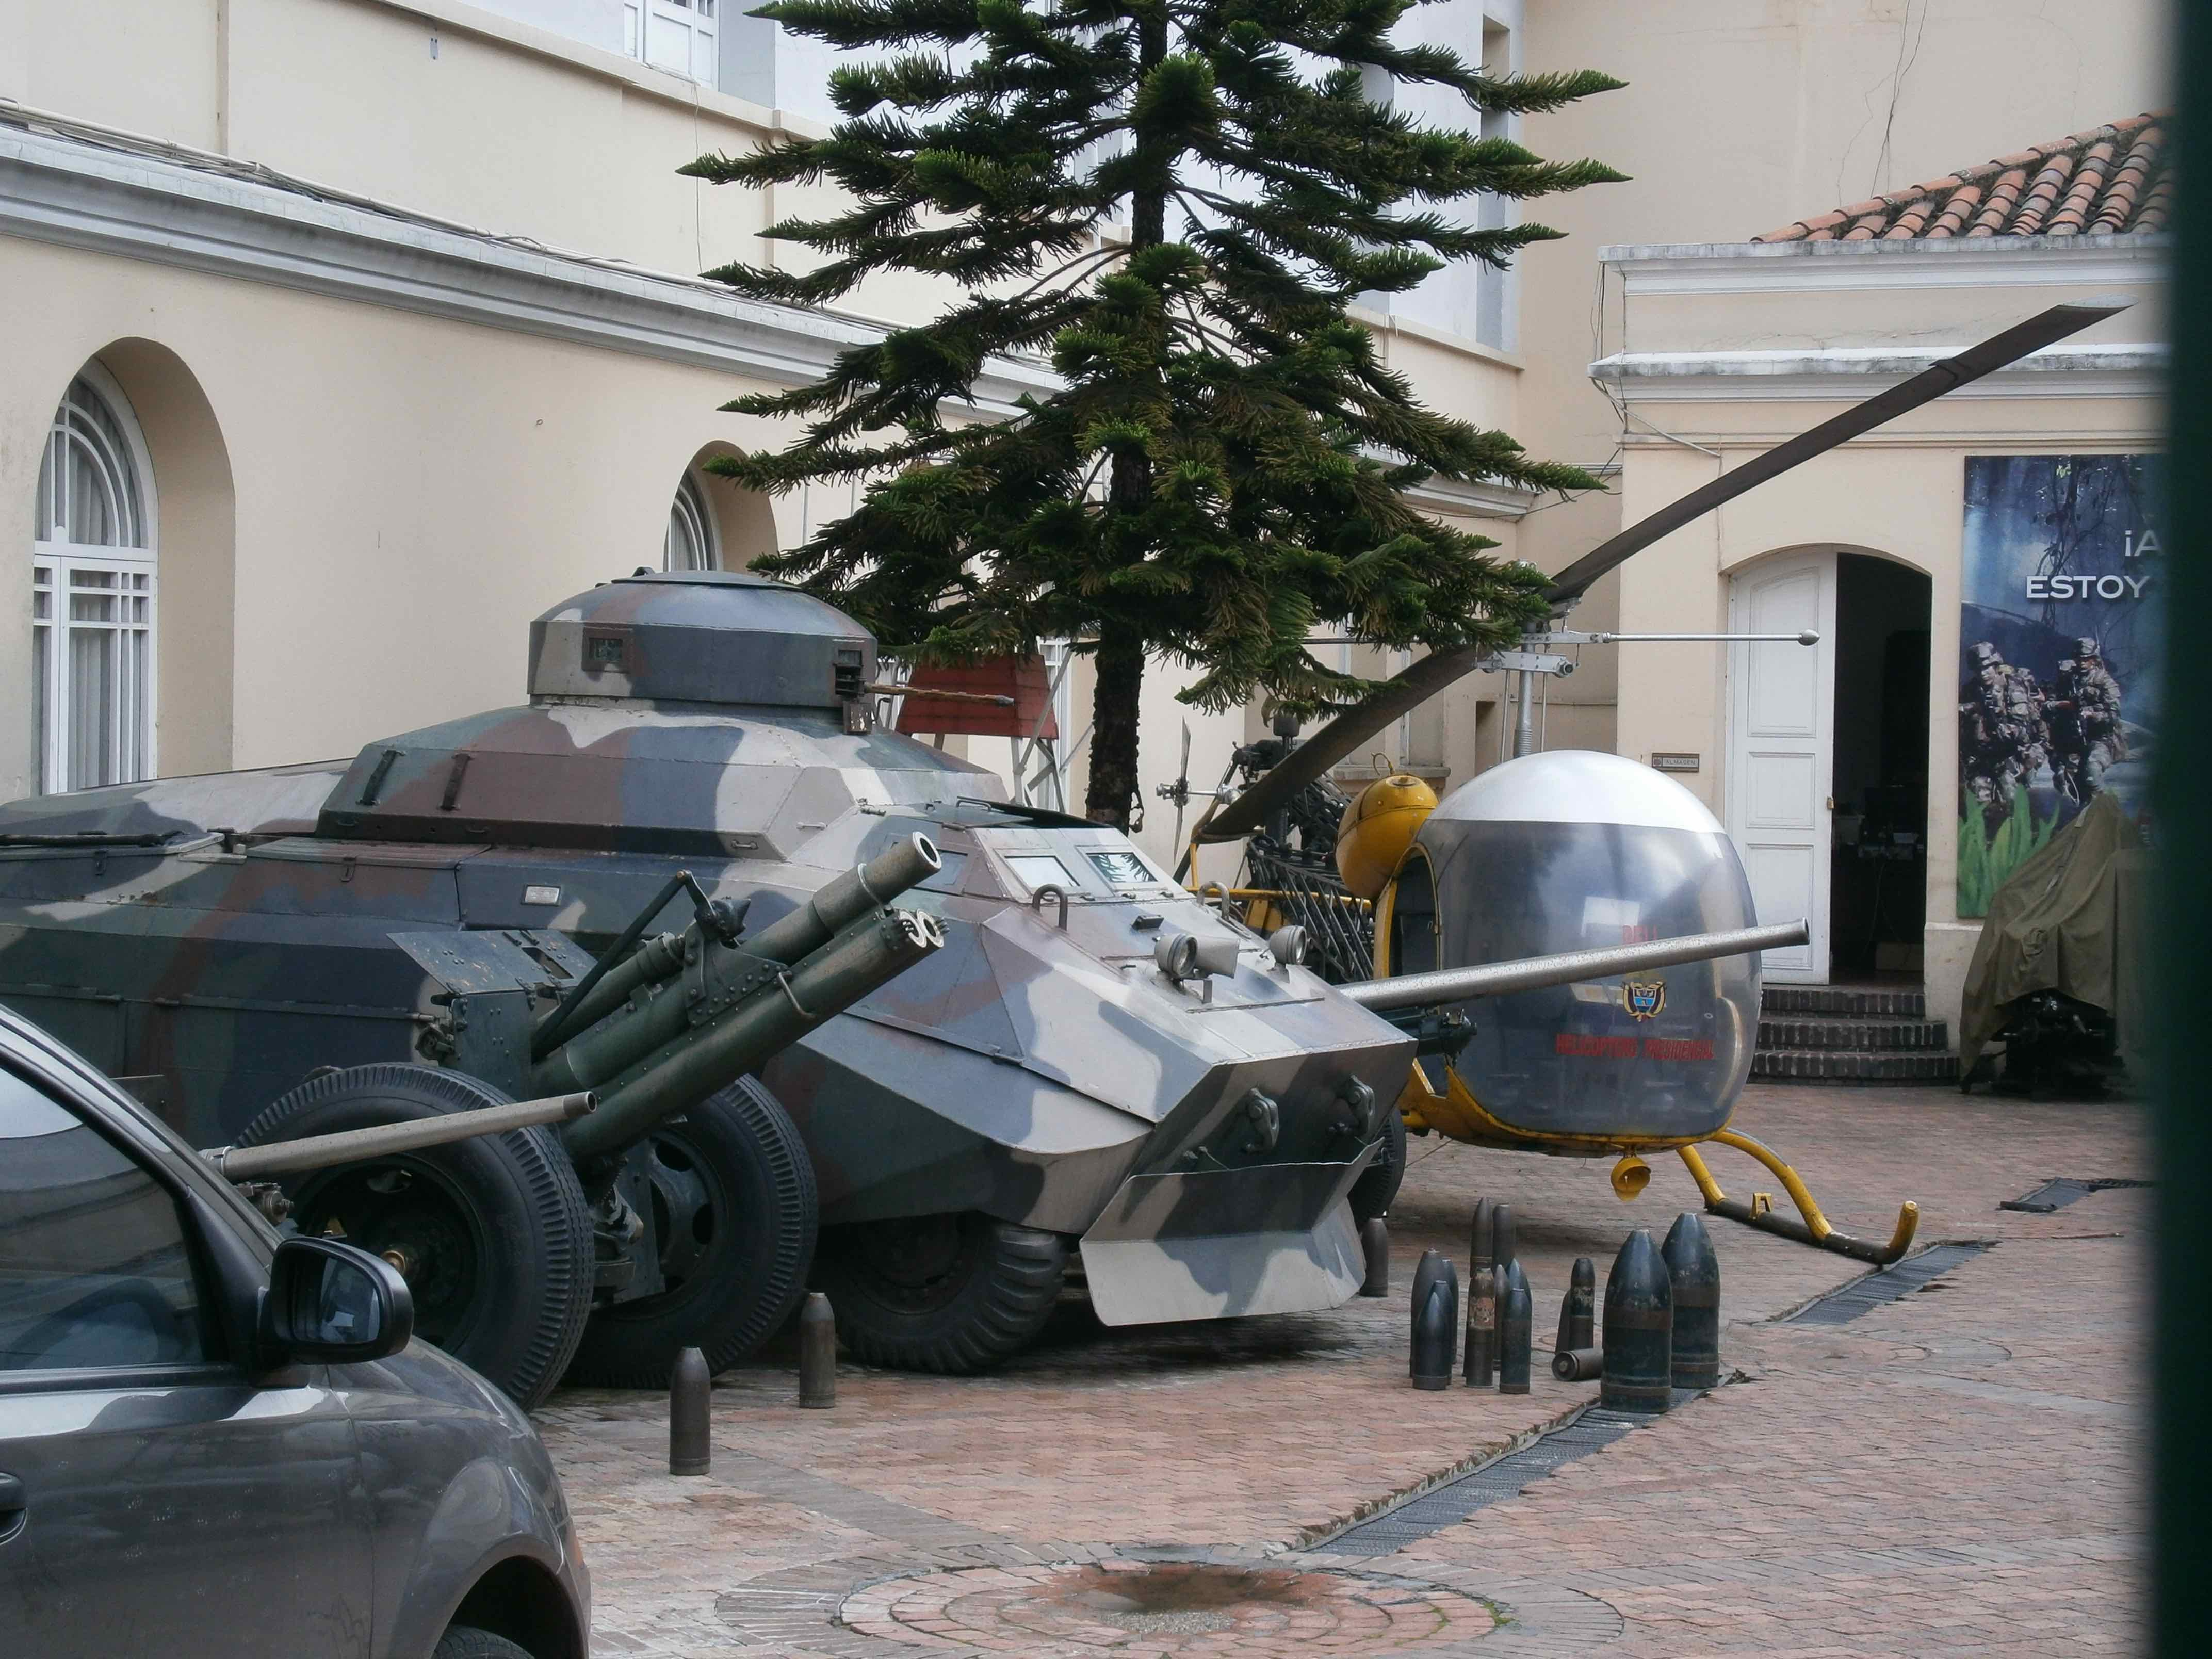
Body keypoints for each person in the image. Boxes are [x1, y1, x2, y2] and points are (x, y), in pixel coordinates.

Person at [2048, 636, 2127, 803]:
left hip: (2101, 740)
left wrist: (2093, 714)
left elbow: (2114, 715)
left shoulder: (2105, 681)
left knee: (2092, 771)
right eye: (2079, 658)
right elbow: (2050, 702)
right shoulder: (2068, 680)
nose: (2082, 662)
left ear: (2094, 659)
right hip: (2074, 740)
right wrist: (2062, 705)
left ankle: (2105, 807)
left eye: (2086, 659)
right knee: (2068, 782)